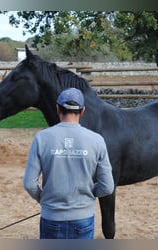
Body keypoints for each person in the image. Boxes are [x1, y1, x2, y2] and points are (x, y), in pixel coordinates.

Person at [23, 87, 114, 239]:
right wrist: (88, 193)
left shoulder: (42, 138)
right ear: (82, 111)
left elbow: (29, 184)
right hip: (83, 218)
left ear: (58, 108)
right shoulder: (97, 140)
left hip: (51, 217)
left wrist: (44, 199)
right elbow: (107, 186)